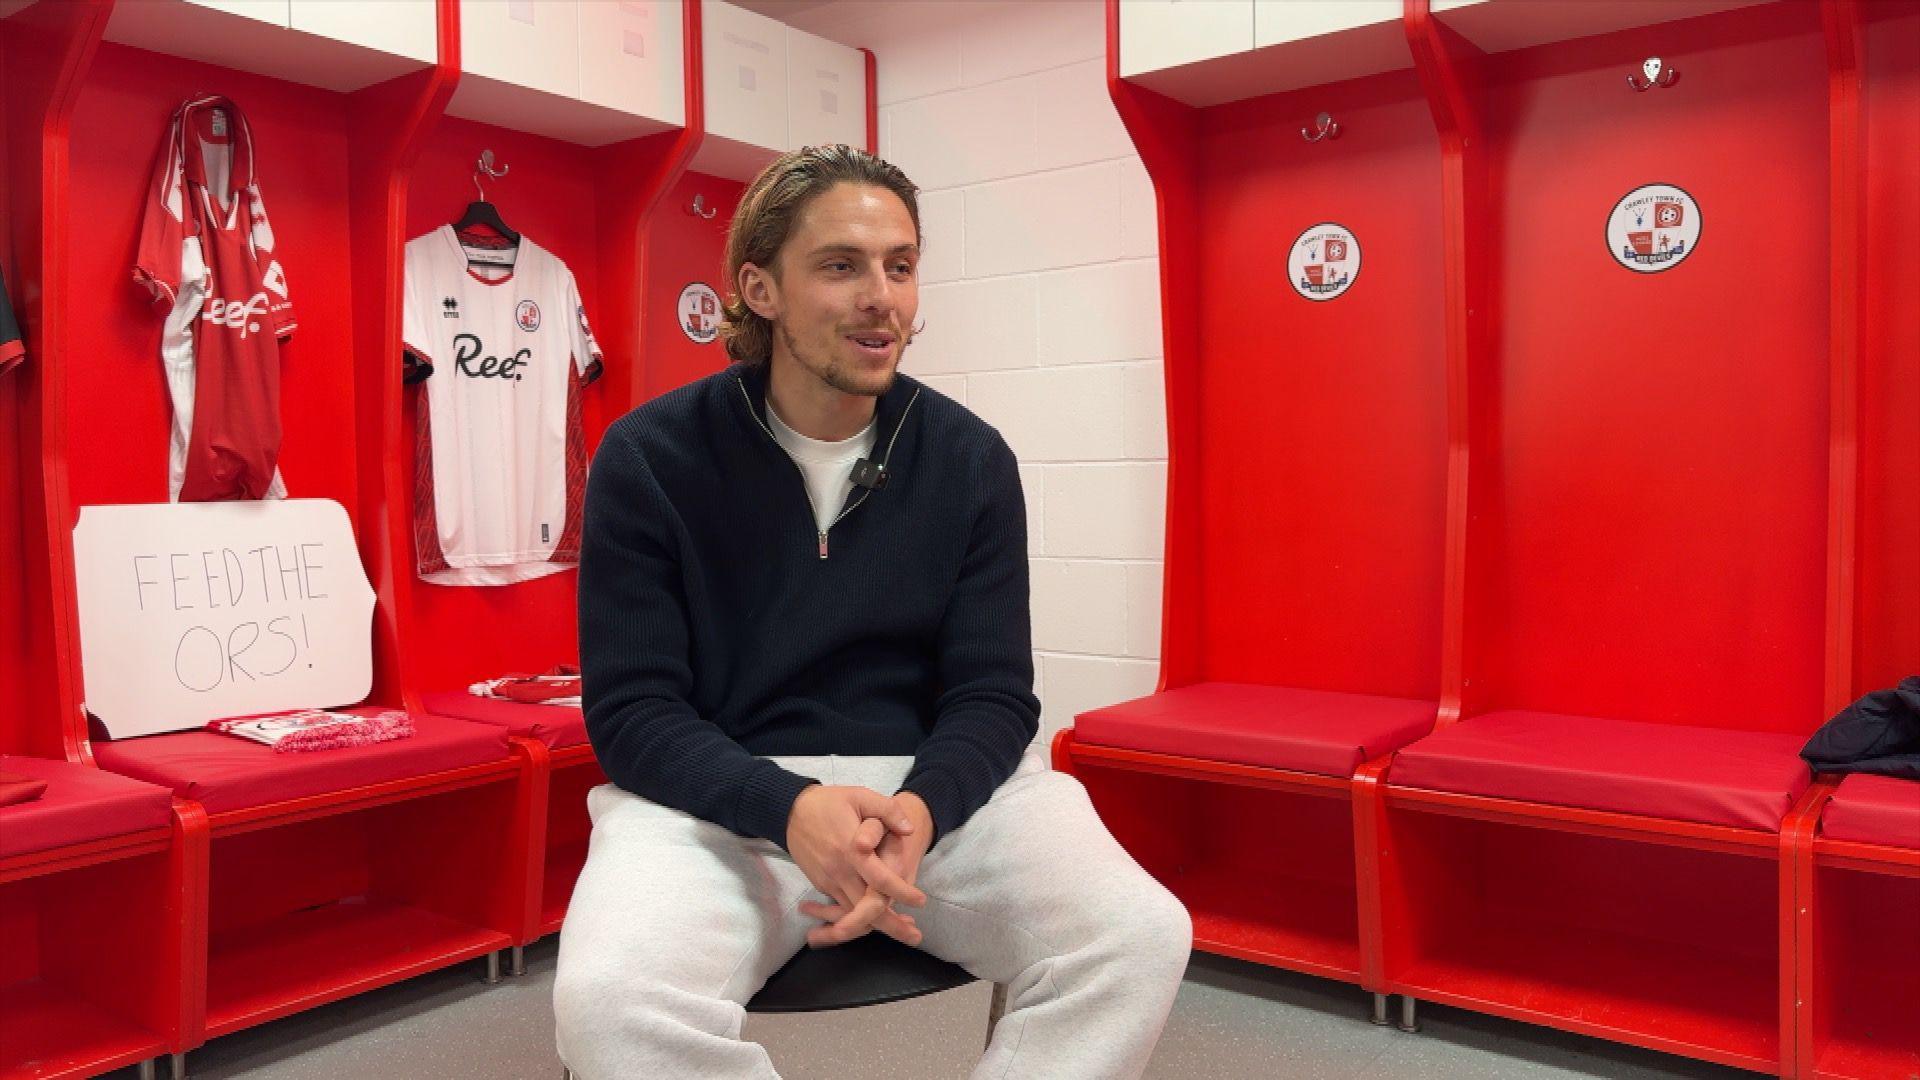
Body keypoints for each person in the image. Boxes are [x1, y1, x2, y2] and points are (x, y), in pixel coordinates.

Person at [554, 144, 1192, 1079]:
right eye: (841, 264)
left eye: (900, 265)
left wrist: (923, 809)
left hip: (932, 800)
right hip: (723, 800)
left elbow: (995, 695)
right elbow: (632, 713)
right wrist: (790, 806)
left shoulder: (970, 458)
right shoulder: (649, 457)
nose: (882, 295)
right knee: (609, 1004)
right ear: (759, 288)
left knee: (1136, 935)